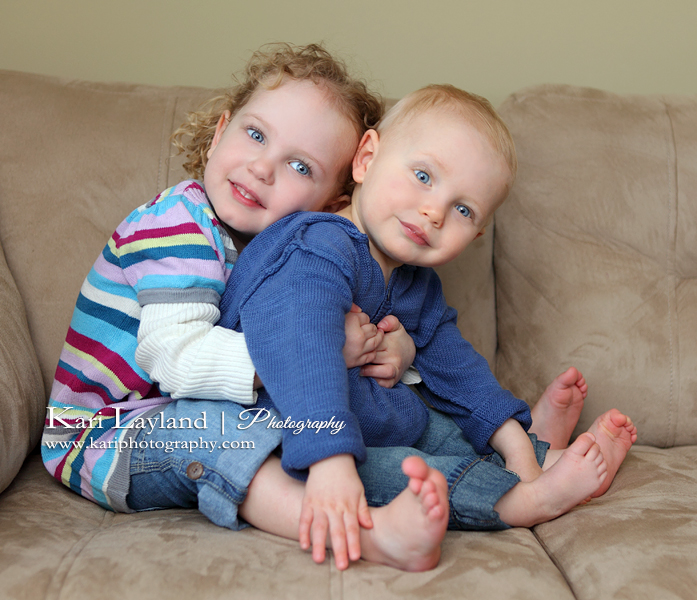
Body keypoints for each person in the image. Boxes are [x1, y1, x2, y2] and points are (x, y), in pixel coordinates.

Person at [41, 44, 456, 573]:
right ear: (219, 133)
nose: (262, 168)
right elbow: (176, 358)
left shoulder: (294, 254)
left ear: (331, 205)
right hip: (103, 433)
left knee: (332, 416)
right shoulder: (177, 222)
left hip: (198, 408)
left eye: (300, 165)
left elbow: (347, 341)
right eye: (256, 135)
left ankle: (510, 459)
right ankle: (367, 536)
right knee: (227, 429)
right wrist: (324, 349)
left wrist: (398, 349)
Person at [217, 84, 638, 569]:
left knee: (446, 424)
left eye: (463, 210)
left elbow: (460, 371)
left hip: (375, 418)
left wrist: (519, 452)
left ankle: (542, 456)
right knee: (404, 470)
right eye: (422, 176)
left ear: (475, 235)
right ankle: (518, 502)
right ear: (366, 159)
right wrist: (330, 463)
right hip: (293, 432)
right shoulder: (317, 248)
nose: (434, 212)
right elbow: (302, 353)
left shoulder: (416, 284)